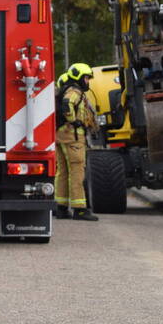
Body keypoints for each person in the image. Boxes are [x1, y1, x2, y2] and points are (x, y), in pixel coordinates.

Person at [54, 63, 99, 221]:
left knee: (63, 172)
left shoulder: (66, 89)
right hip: (72, 137)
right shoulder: (75, 91)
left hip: (61, 136)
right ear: (78, 77)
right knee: (77, 172)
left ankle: (61, 207)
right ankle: (79, 209)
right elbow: (67, 104)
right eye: (86, 78)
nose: (87, 81)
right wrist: (74, 121)